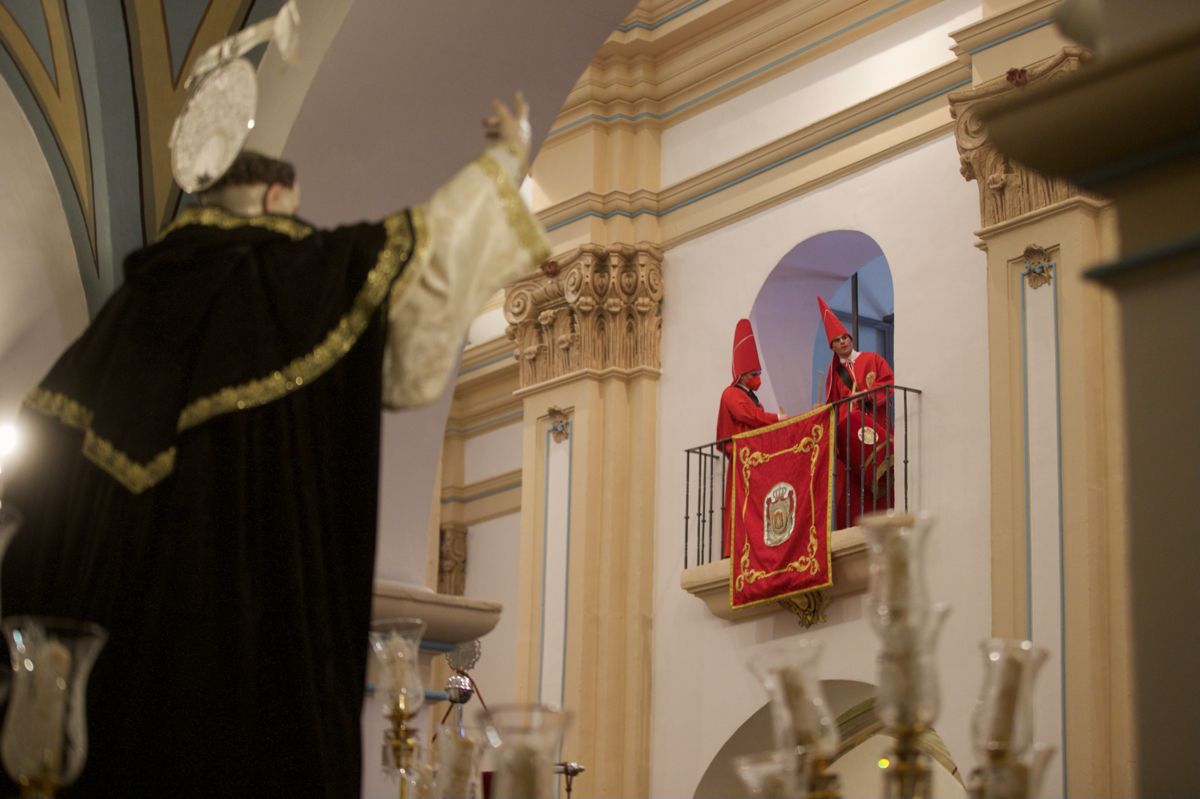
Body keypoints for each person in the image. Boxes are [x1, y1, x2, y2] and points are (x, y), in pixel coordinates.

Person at [0, 95, 547, 798]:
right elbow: (423, 249)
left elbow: (32, 514)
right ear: (274, 192)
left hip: (109, 690)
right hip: (245, 663)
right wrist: (504, 156)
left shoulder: (118, 322)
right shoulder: (287, 283)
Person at [818, 295, 895, 528]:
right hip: (852, 437)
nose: (843, 342)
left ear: (851, 338)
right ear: (831, 346)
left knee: (883, 480)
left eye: (845, 337)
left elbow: (888, 383)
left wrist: (864, 396)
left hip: (876, 425)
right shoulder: (833, 377)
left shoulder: (871, 359)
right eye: (837, 340)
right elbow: (833, 407)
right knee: (850, 485)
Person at [716, 318, 787, 557]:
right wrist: (777, 419)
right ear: (744, 375)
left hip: (755, 456)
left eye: (759, 373)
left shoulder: (750, 395)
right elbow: (748, 415)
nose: (758, 378)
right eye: (755, 373)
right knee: (741, 504)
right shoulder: (731, 394)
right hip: (742, 456)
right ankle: (736, 548)